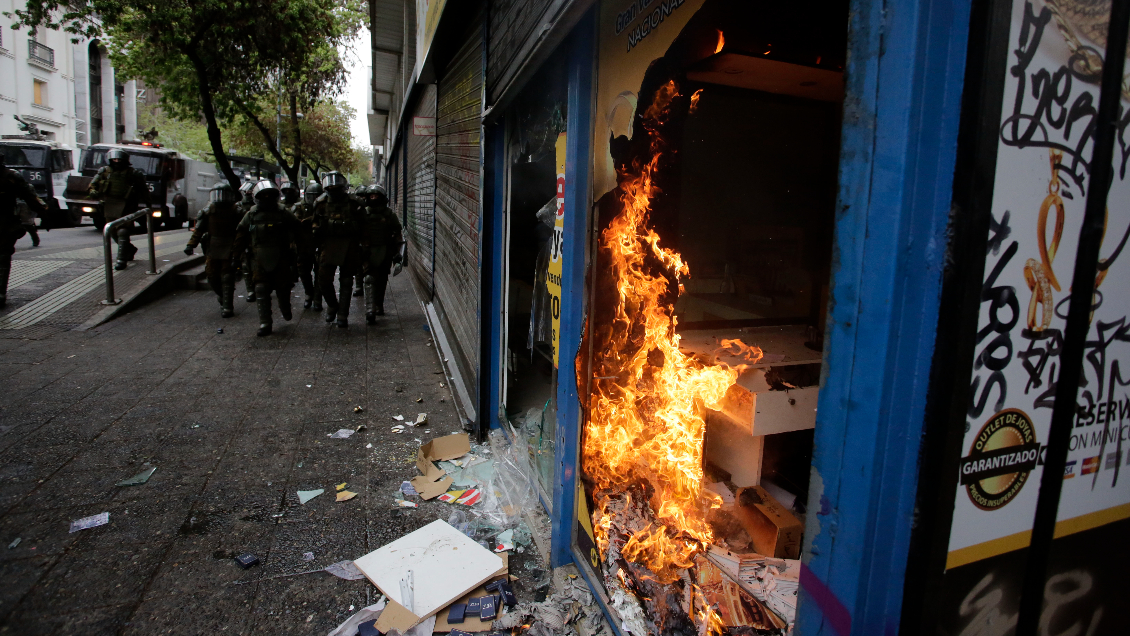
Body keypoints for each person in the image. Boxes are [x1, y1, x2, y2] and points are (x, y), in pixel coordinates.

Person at [232, 180, 299, 337]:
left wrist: (299, 251)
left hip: (281, 257)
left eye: (270, 196)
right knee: (261, 289)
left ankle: (285, 308)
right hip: (259, 258)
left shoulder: (283, 212)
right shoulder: (252, 214)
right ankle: (265, 322)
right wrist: (236, 256)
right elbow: (240, 235)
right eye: (264, 196)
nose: (267, 199)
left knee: (283, 289)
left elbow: (298, 229)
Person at [312, 171, 365, 328]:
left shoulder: (355, 203)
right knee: (323, 279)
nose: (333, 188)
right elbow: (314, 225)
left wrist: (362, 244)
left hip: (350, 245)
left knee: (347, 281)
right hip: (327, 245)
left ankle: (343, 314)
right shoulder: (320, 203)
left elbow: (364, 225)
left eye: (337, 186)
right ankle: (332, 305)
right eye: (331, 186)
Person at [184, 183, 242, 318]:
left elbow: (242, 231)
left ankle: (228, 306)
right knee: (211, 276)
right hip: (213, 247)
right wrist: (191, 245)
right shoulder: (208, 211)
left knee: (227, 277)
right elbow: (198, 230)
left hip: (230, 246)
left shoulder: (236, 211)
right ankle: (222, 297)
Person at [89, 149, 151, 270]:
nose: (117, 161)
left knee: (123, 231)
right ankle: (130, 249)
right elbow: (93, 184)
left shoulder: (133, 173)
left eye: (119, 159)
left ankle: (121, 260)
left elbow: (144, 190)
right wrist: (93, 191)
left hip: (127, 205)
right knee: (111, 231)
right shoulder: (104, 171)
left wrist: (148, 206)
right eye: (114, 159)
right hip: (109, 204)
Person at [0, 155, 47, 307]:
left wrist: (44, 212)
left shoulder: (11, 176)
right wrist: (45, 212)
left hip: (5, 223)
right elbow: (31, 197)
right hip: (5, 223)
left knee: (3, 257)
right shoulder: (11, 176)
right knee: (3, 258)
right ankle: (0, 294)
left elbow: (30, 197)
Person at [360, 184, 403, 324]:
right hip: (368, 250)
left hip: (385, 250)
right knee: (369, 278)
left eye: (376, 196)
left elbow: (397, 234)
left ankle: (378, 305)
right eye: (371, 196)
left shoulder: (389, 214)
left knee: (382, 279)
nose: (373, 199)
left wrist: (398, 254)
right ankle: (370, 309)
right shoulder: (363, 213)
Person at [292, 181, 322, 311]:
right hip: (303, 244)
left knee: (320, 273)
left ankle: (317, 298)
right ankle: (309, 293)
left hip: (320, 243)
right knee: (303, 272)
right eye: (311, 196)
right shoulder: (299, 207)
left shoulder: (323, 206)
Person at [238, 180, 257, 302]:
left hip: (258, 239)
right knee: (245, 266)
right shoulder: (239, 207)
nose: (248, 193)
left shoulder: (261, 206)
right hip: (246, 239)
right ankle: (250, 289)